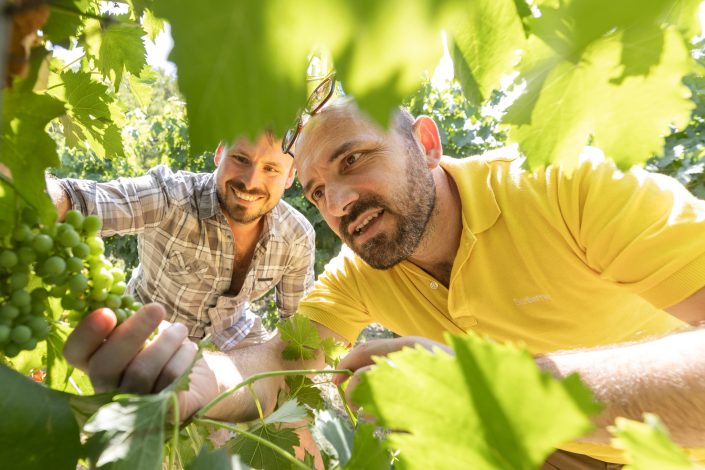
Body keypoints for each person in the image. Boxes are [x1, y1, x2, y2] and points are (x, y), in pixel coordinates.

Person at [64, 96, 705, 467]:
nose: (338, 201)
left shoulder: (573, 189)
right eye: (316, 190)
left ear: (426, 143)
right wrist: (200, 382)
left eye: (355, 159)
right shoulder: (364, 271)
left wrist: (497, 396)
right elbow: (290, 357)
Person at [50, 133, 315, 351]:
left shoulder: (297, 237)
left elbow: (298, 326)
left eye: (271, 169)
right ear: (220, 153)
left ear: (291, 176)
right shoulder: (171, 198)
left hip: (234, 342)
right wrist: (36, 193)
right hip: (145, 336)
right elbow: (80, 201)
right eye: (240, 158)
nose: (250, 181)